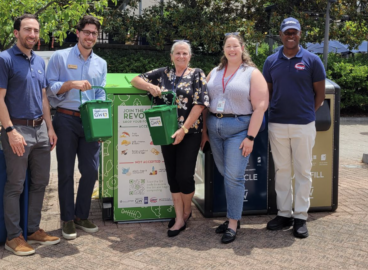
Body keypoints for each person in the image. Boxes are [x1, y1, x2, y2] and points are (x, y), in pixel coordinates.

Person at [0, 14, 60, 256]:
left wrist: (50, 128)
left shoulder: (39, 61)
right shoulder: (4, 59)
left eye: (36, 30)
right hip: (17, 130)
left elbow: (43, 98)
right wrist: (9, 131)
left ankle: (32, 230)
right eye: (27, 30)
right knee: (16, 185)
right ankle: (13, 237)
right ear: (16, 33)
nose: (32, 34)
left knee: (40, 182)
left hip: (40, 129)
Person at [130, 40, 209, 237]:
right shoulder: (163, 74)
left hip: (189, 132)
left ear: (190, 56)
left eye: (185, 53)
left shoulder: (197, 74)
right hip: (165, 132)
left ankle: (187, 210)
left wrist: (183, 129)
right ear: (172, 56)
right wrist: (150, 87)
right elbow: (134, 80)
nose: (181, 56)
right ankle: (179, 217)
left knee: (185, 176)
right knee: (172, 176)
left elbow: (200, 104)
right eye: (177, 53)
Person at [201, 33, 268, 244]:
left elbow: (260, 106)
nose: (231, 50)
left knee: (234, 178)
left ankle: (232, 223)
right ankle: (234, 217)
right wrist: (204, 132)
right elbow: (204, 101)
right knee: (225, 173)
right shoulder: (216, 71)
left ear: (242, 48)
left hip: (239, 130)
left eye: (235, 46)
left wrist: (250, 137)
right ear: (224, 49)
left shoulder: (252, 73)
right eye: (228, 46)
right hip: (214, 129)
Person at [263, 17, 326, 239]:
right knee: (281, 171)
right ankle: (283, 214)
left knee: (302, 171)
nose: (290, 36)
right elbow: (267, 93)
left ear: (300, 34)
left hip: (303, 125)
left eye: (294, 32)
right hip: (277, 124)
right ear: (280, 35)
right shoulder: (271, 61)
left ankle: (300, 217)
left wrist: (307, 112)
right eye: (287, 33)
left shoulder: (312, 60)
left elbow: (319, 94)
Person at [46, 15, 107, 240]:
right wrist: (71, 84)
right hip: (66, 119)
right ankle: (67, 219)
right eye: (87, 32)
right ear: (78, 32)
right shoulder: (60, 57)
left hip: (90, 121)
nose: (90, 36)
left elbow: (100, 94)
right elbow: (49, 88)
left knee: (91, 170)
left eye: (94, 33)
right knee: (65, 172)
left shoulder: (101, 63)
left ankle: (82, 215)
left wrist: (101, 126)